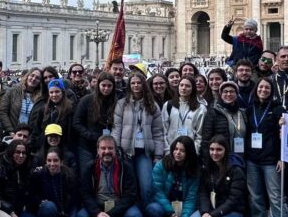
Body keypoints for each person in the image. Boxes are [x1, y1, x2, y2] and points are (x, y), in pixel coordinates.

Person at [80, 135, 144, 217]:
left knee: (135, 216)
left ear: (115, 150)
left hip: (119, 206)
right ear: (98, 150)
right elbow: (85, 194)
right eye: (103, 148)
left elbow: (130, 195)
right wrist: (97, 213)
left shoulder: (126, 167)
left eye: (110, 148)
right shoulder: (89, 167)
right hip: (98, 205)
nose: (107, 151)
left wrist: (111, 214)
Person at [112, 71, 166, 206]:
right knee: (128, 185)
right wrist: (116, 149)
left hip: (144, 152)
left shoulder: (152, 105)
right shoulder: (121, 104)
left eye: (138, 83)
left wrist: (158, 154)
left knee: (146, 186)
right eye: (133, 83)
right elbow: (116, 128)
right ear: (129, 85)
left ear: (144, 84)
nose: (136, 85)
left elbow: (158, 131)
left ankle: (147, 213)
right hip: (125, 152)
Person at [22, 148, 86, 217]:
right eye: (49, 160)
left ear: (61, 161)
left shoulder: (70, 176)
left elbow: (76, 203)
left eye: (55, 160)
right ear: (46, 161)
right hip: (46, 216)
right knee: (48, 206)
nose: (52, 164)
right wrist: (40, 202)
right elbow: (31, 197)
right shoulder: (38, 175)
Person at [244, 77, 283, 217]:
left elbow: (283, 137)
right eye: (261, 87)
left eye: (267, 88)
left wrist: (281, 157)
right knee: (255, 197)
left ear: (271, 90)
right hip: (252, 159)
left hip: (270, 159)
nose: (263, 90)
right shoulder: (249, 108)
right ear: (256, 89)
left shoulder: (278, 109)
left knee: (275, 197)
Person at [197, 135, 247, 217]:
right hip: (212, 208)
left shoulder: (236, 170)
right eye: (212, 149)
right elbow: (203, 192)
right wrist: (204, 212)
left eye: (219, 149)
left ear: (226, 150)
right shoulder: (207, 166)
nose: (215, 153)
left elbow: (233, 201)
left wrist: (213, 215)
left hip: (232, 211)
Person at [147, 136, 201, 217]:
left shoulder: (194, 170)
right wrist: (171, 214)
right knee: (152, 209)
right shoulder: (160, 166)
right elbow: (158, 192)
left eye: (182, 151)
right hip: (165, 210)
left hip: (183, 212)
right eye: (176, 149)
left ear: (189, 153)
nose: (178, 153)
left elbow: (191, 198)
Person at [73, 72, 118, 180]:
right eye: (103, 85)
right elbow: (77, 122)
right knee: (86, 176)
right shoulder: (87, 100)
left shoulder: (117, 102)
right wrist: (89, 135)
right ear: (98, 85)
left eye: (109, 86)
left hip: (108, 147)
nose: (106, 89)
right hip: (87, 146)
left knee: (106, 177)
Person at [199, 80, 246, 161]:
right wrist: (207, 160)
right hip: (220, 159)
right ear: (221, 94)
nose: (228, 94)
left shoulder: (242, 113)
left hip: (240, 158)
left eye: (232, 91)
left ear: (237, 94)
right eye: (225, 92)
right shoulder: (213, 112)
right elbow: (206, 139)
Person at [162, 74, 205, 153]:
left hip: (190, 153)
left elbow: (200, 135)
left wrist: (194, 152)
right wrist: (168, 151)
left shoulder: (200, 108)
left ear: (193, 89)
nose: (183, 88)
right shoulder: (168, 105)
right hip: (171, 151)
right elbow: (164, 130)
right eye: (181, 85)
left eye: (187, 86)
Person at [29, 79, 74, 154]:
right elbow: (36, 129)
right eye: (51, 92)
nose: (54, 95)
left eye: (57, 92)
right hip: (43, 148)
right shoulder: (43, 109)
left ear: (62, 92)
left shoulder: (69, 109)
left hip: (62, 149)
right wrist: (33, 144)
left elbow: (70, 133)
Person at [0, 68, 44, 133]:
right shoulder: (12, 91)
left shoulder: (41, 97)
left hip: (31, 136)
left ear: (40, 81)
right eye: (32, 75)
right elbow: (3, 112)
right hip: (13, 133)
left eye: (37, 78)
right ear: (27, 76)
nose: (33, 79)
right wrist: (10, 131)